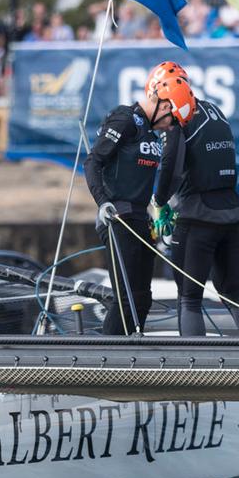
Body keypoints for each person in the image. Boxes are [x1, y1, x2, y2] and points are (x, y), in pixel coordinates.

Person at [150, 62, 239, 337]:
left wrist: (159, 200)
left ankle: (192, 371)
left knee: (189, 298)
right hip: (232, 213)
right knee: (232, 289)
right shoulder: (215, 111)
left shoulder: (178, 121)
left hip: (197, 216)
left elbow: (171, 167)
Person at [83, 72, 195, 335]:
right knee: (127, 298)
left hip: (139, 219)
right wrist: (102, 202)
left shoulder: (149, 130)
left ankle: (131, 355)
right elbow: (93, 162)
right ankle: (106, 359)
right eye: (171, 119)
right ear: (164, 105)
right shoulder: (125, 119)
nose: (170, 127)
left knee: (142, 298)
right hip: (118, 217)